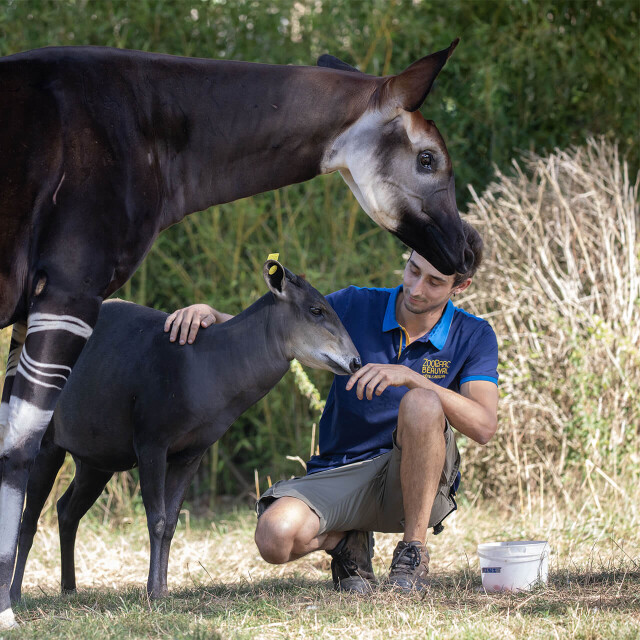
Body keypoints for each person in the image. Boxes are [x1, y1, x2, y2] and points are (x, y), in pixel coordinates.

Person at [164, 226, 498, 593]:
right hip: (344, 470)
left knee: (421, 402)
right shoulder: (356, 304)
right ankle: (346, 543)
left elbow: (483, 426)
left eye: (435, 282)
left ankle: (411, 554)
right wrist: (209, 314)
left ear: (460, 287)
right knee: (274, 537)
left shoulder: (474, 334)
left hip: (417, 485)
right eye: (413, 270)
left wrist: (410, 377)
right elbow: (273, 330)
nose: (417, 288)